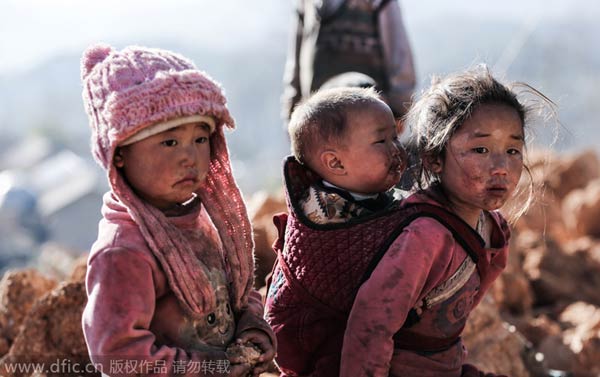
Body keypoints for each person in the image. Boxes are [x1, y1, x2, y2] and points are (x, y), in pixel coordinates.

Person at [339, 65, 549, 377]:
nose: (501, 166)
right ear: (435, 158)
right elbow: (371, 325)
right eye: (480, 149)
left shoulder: (493, 229)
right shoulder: (425, 236)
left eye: (513, 150)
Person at [80, 44, 275, 377]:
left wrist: (252, 329)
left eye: (200, 139)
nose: (191, 157)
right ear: (119, 155)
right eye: (169, 142)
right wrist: (211, 369)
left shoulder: (198, 219)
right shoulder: (123, 252)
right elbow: (118, 355)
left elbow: (231, 295)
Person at [265, 86, 408, 376]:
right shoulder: (326, 217)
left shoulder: (361, 192)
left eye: (395, 136)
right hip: (309, 336)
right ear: (335, 163)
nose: (397, 149)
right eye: (382, 140)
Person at [281, 0, 416, 122]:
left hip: (369, 116)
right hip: (317, 119)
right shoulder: (307, 4)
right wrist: (292, 112)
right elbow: (296, 60)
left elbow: (399, 56)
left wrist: (397, 112)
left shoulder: (378, 3)